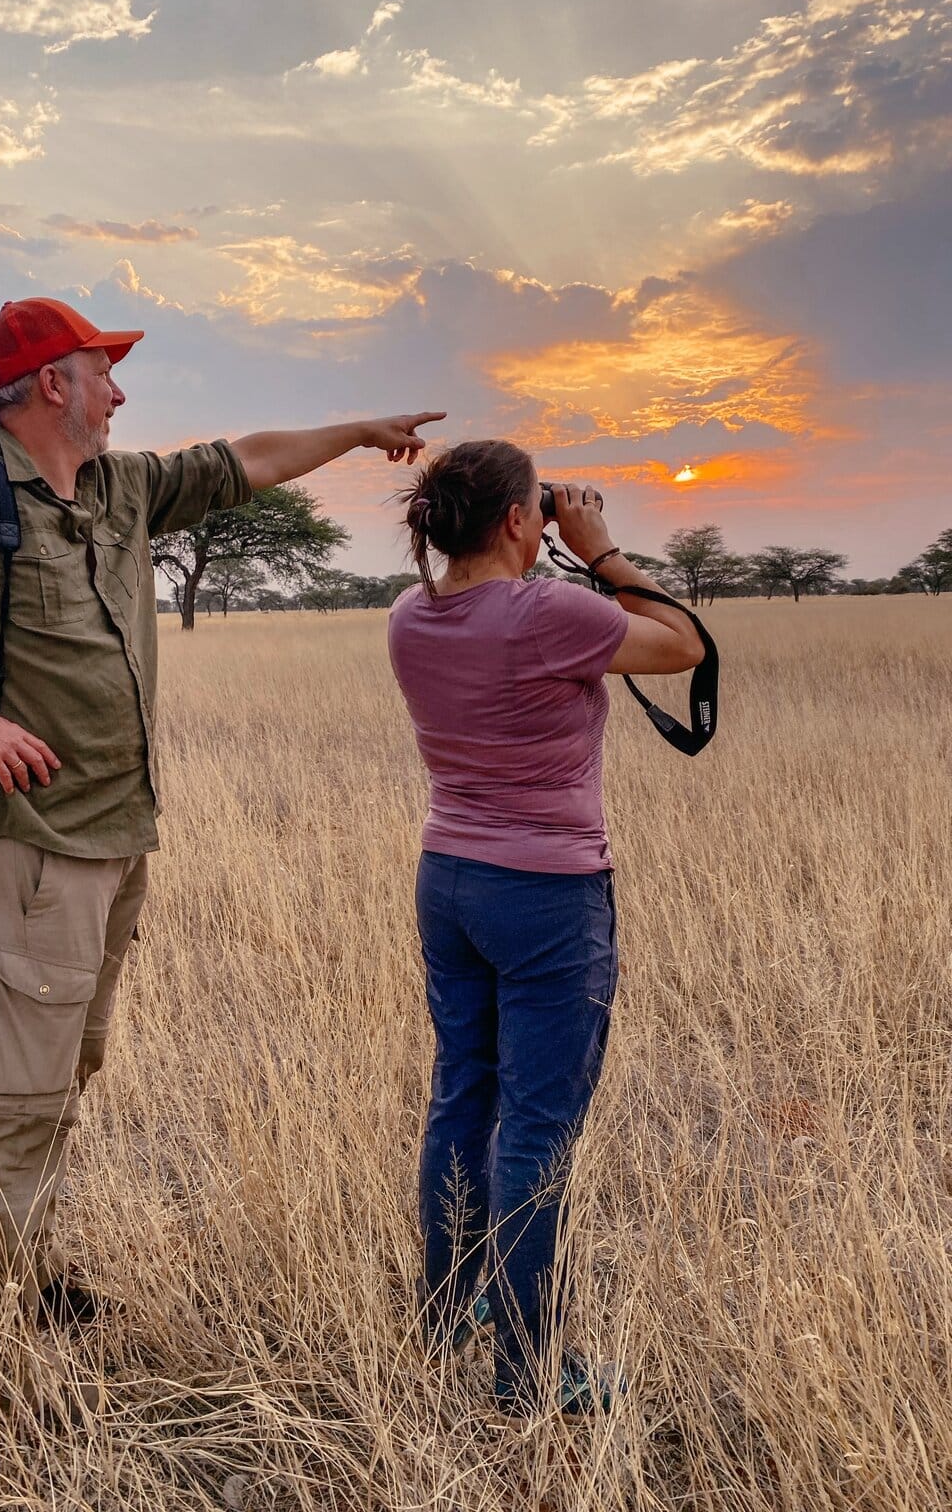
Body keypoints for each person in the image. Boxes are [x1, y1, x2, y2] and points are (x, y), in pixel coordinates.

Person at [0, 294, 445, 1325]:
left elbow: (241, 459)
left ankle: (31, 1275)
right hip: (35, 840)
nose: (119, 390)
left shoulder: (119, 486)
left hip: (117, 834)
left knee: (65, 1067)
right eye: (101, 370)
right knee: (17, 1090)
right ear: (49, 386)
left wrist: (356, 432)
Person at [386, 438, 703, 1417]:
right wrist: (601, 543)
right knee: (537, 1129)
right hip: (549, 896)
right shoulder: (550, 610)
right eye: (541, 507)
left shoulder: (411, 612)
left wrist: (559, 540)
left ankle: (450, 1309)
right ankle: (532, 1371)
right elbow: (682, 642)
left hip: (449, 879)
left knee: (462, 1095)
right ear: (522, 520)